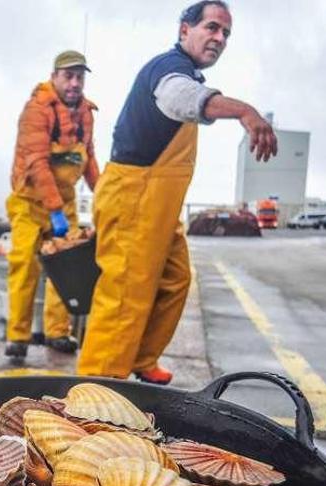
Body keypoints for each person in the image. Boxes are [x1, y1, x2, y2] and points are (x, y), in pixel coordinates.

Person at [77, 1, 277, 384]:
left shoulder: (188, 74)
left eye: (226, 34)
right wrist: (243, 111)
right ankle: (96, 387)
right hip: (134, 196)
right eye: (212, 27)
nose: (219, 39)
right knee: (123, 295)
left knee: (175, 278)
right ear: (185, 30)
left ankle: (141, 356)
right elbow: (178, 98)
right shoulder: (169, 70)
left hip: (158, 207)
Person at [5, 50, 101, 360]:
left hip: (66, 201)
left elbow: (89, 160)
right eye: (68, 76)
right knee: (25, 266)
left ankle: (58, 333)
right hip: (29, 201)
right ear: (55, 76)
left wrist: (104, 195)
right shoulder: (36, 110)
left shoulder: (86, 113)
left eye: (80, 77)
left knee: (67, 268)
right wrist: (53, 209)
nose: (75, 83)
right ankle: (17, 337)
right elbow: (36, 162)